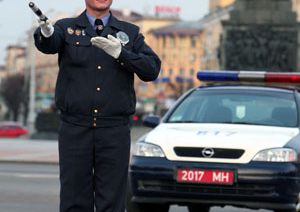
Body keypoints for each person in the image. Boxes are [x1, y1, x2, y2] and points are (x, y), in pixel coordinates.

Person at [33, 0, 161, 211]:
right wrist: (45, 33)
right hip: (75, 128)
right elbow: (50, 44)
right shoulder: (67, 28)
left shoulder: (129, 32)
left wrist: (122, 54)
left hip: (114, 131)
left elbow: (152, 69)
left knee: (112, 201)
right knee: (74, 200)